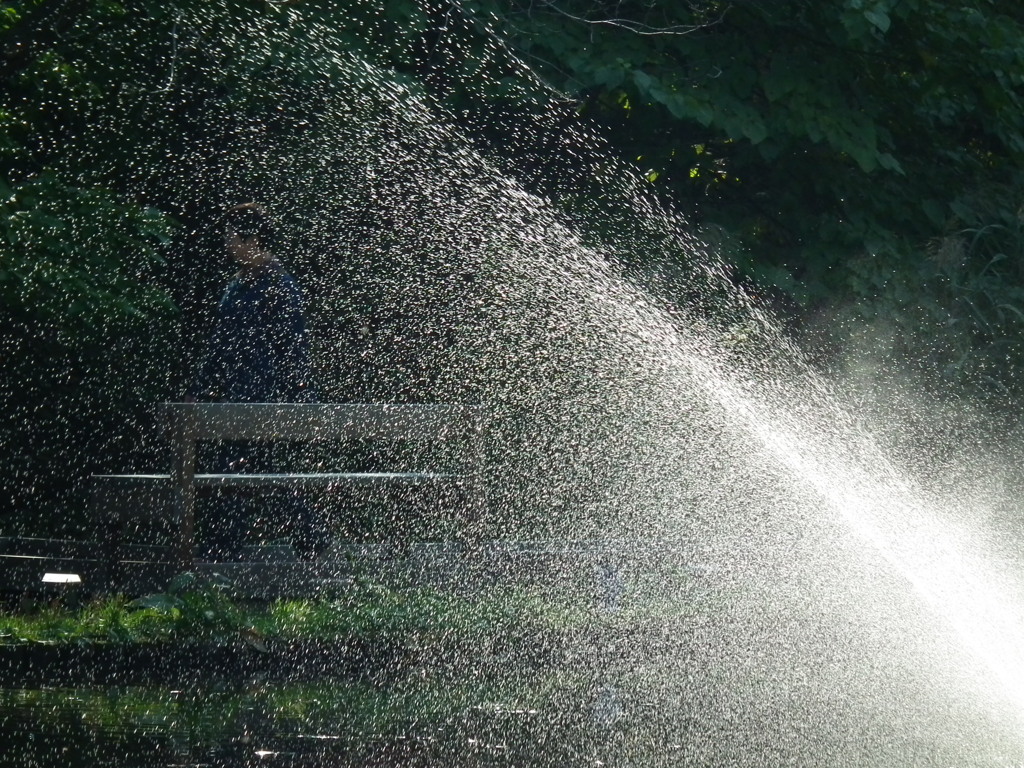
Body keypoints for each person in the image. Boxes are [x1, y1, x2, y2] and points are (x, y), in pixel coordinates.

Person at [189, 203, 329, 561]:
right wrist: (203, 389)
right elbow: (220, 344)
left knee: (238, 471)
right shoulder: (237, 285)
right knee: (246, 472)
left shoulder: (279, 285)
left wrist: (299, 396)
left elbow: (293, 347)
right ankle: (306, 539)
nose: (227, 244)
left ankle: (229, 549)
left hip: (265, 398)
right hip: (237, 396)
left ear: (251, 239)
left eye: (231, 237)